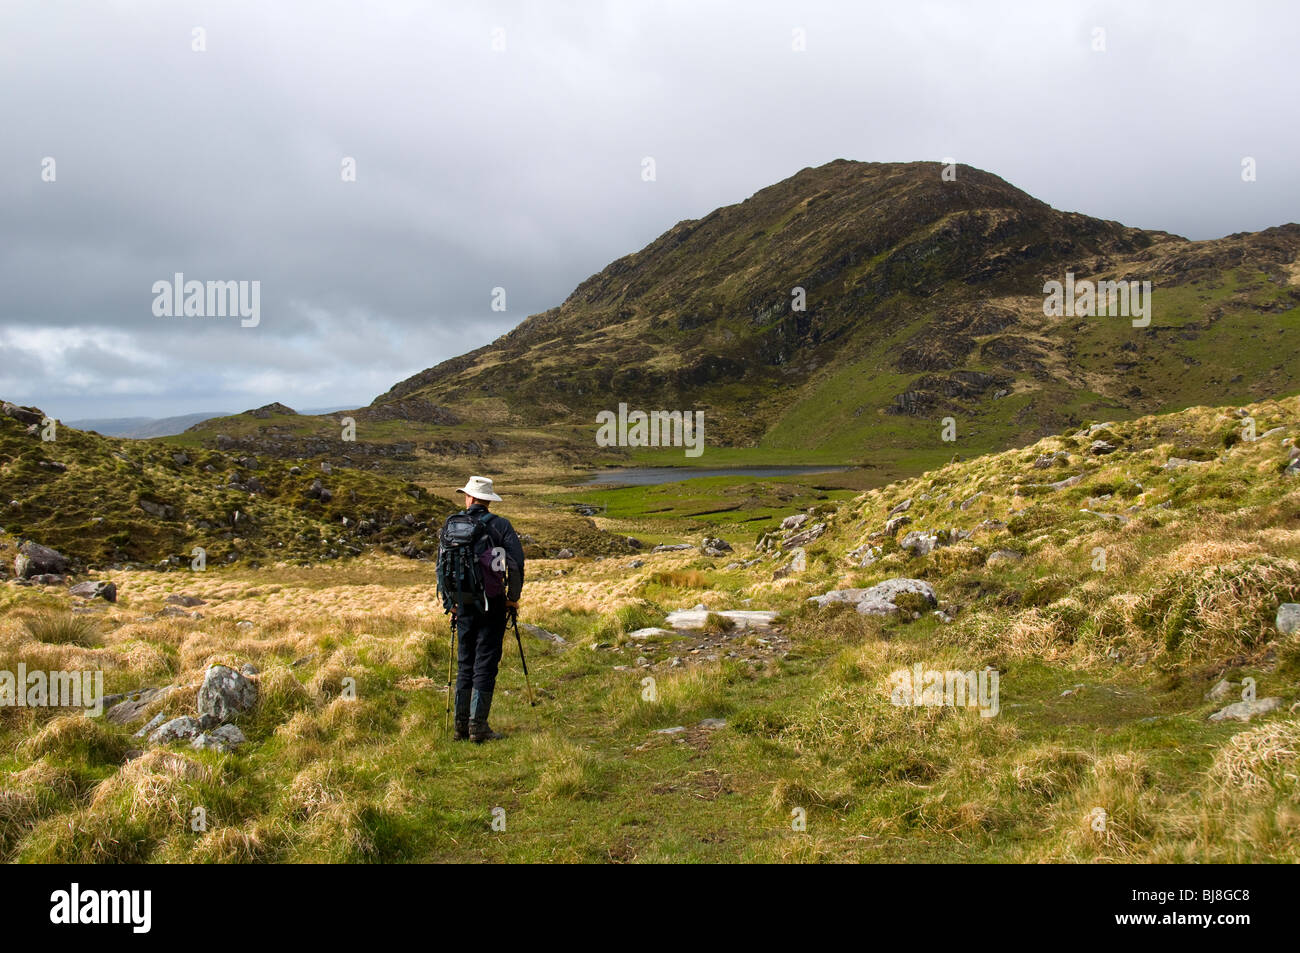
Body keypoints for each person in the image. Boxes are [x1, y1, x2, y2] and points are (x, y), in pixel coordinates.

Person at [438, 476, 524, 743]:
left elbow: (441, 566)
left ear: (469, 498)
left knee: (465, 662)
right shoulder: (500, 525)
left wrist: (449, 602)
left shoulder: (452, 525)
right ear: (487, 500)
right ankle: (478, 727)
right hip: (492, 603)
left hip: (461, 604)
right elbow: (516, 564)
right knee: (485, 663)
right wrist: (512, 598)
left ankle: (460, 727)